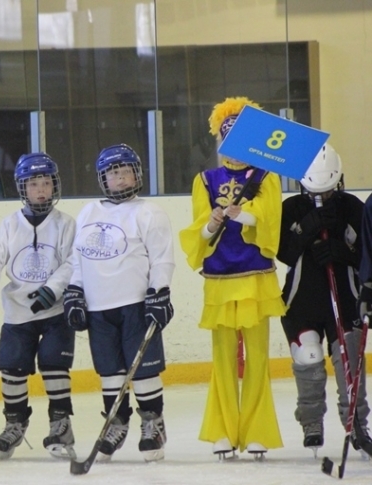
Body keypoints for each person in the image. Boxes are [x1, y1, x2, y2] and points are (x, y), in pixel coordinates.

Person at [179, 97, 285, 459]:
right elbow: (200, 233)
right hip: (220, 279)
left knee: (257, 357)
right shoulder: (205, 180)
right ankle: (222, 430)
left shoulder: (266, 178)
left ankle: (257, 431)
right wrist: (212, 223)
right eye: (228, 140)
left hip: (256, 279)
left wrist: (243, 215)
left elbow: (269, 221)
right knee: (222, 357)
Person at [64, 143, 175, 462]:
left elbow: (162, 258)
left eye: (126, 171)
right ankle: (117, 423)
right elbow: (78, 258)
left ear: (137, 174)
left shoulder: (149, 212)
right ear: (103, 179)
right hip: (98, 308)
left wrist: (159, 292)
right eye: (114, 174)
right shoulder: (89, 211)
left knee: (143, 369)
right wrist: (74, 291)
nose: (121, 178)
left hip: (136, 305)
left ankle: (153, 424)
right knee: (110, 371)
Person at [0, 152, 77, 460]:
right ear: (22, 188)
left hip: (56, 310)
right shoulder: (9, 225)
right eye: (33, 184)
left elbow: (74, 261)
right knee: (12, 366)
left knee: (54, 363)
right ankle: (14, 423)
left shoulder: (65, 224)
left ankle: (61, 424)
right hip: (18, 311)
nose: (41, 190)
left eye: (46, 183)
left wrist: (52, 289)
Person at [279, 144, 372, 455]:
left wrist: (343, 252)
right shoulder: (291, 208)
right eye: (315, 192)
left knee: (349, 359)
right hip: (301, 302)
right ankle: (311, 421)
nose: (322, 197)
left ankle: (356, 423)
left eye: (329, 191)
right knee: (308, 356)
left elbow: (367, 253)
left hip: (345, 299)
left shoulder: (353, 207)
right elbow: (283, 252)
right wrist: (308, 227)